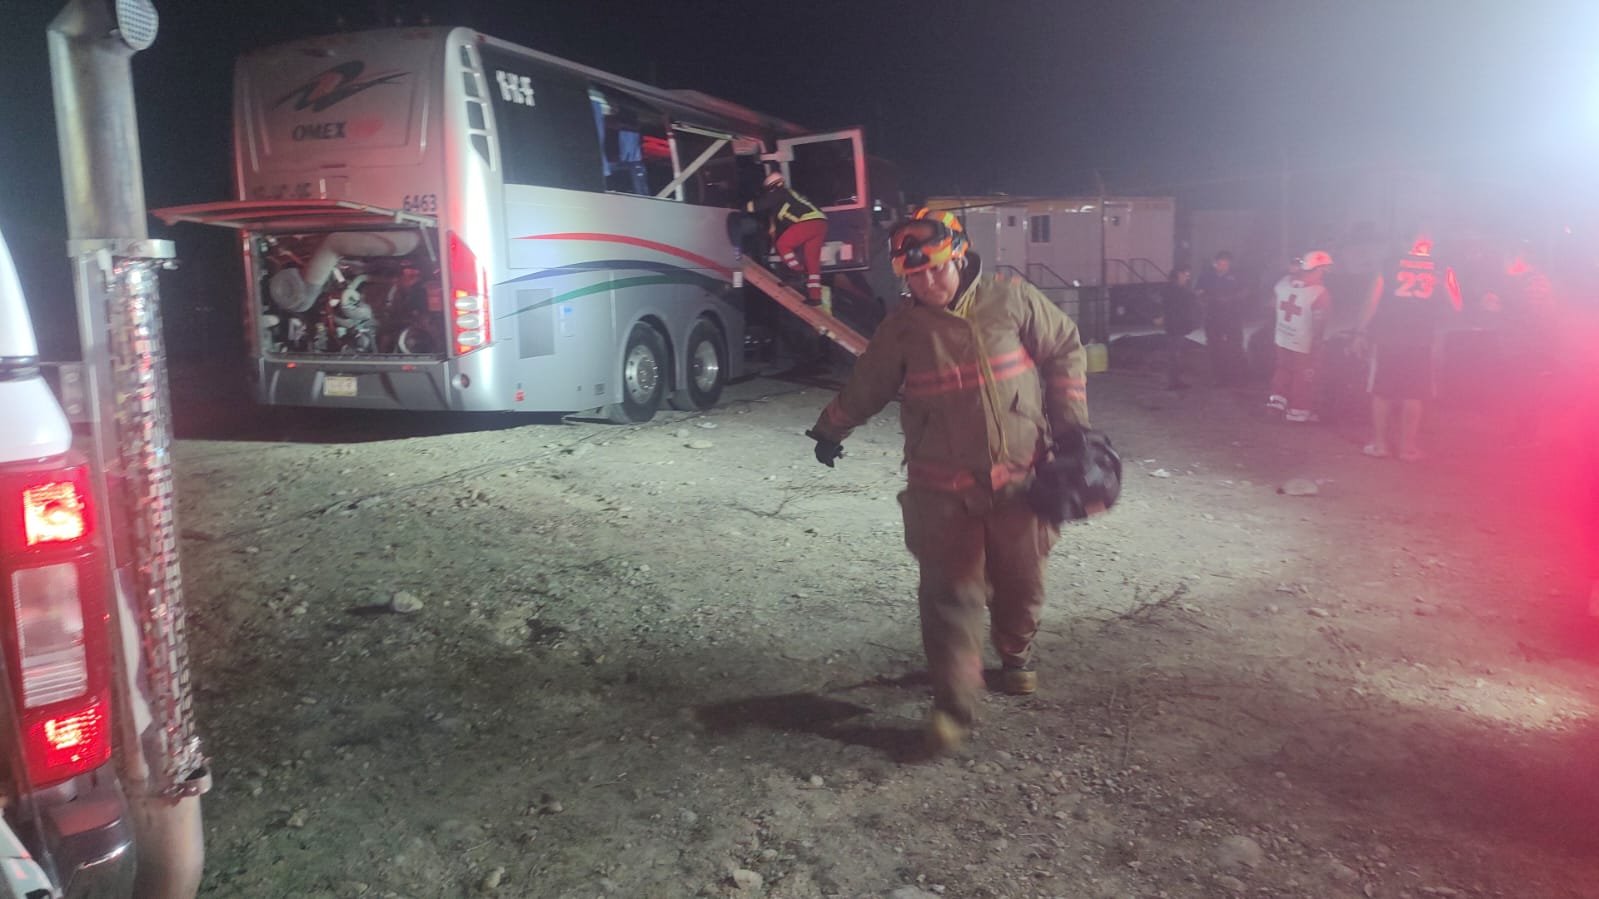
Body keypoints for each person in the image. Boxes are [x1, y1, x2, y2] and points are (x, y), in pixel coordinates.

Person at [804, 208, 1092, 754]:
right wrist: (830, 429)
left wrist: (1073, 428)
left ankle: (1015, 651)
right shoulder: (903, 330)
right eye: (913, 276)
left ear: (959, 255)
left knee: (1021, 582)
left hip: (1021, 483)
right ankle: (954, 709)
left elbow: (1065, 350)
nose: (927, 282)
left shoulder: (1011, 298)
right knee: (950, 595)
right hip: (940, 492)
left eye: (935, 268)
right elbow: (867, 384)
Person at [1352, 235, 1461, 461]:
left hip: (1387, 337)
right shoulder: (1441, 267)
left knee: (1381, 391)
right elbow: (1456, 303)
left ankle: (1380, 446)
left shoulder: (1389, 264)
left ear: (1406, 242)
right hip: (1420, 338)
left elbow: (1371, 300)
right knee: (1414, 393)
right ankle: (1407, 449)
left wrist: (1360, 331)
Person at [1267, 251, 1333, 422]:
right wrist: (1318, 342)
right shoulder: (1319, 293)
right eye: (1323, 271)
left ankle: (1277, 402)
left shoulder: (1282, 283)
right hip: (1304, 343)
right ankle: (1299, 410)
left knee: (1282, 369)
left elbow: (1272, 305)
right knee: (1303, 376)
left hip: (1282, 336)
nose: (1323, 276)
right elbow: (1319, 321)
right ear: (1318, 270)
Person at [746, 171, 829, 305]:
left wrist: (742, 208)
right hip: (821, 223)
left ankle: (797, 272)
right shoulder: (788, 195)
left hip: (809, 222)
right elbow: (779, 218)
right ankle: (815, 297)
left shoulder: (780, 193)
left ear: (773, 186)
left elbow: (758, 205)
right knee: (812, 262)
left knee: (783, 244)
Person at [1195, 251, 1248, 385]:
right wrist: (1209, 300)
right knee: (1214, 347)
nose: (1223, 267)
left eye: (1226, 264)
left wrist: (1231, 299)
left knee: (1235, 346)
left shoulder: (1237, 276)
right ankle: (1219, 377)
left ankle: (1238, 376)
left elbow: (1246, 291)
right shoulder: (1206, 276)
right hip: (1213, 317)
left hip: (1232, 316)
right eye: (1220, 264)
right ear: (1215, 263)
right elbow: (1198, 293)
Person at [1158, 266, 1198, 390]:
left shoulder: (1173, 288)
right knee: (1174, 354)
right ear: (1179, 275)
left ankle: (1175, 380)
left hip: (1175, 324)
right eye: (1186, 274)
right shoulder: (1175, 289)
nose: (1187, 277)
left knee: (1175, 354)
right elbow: (1181, 305)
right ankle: (1174, 381)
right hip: (1175, 325)